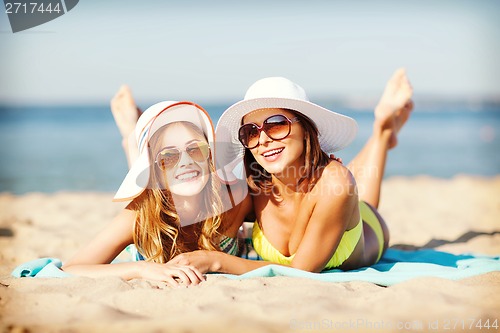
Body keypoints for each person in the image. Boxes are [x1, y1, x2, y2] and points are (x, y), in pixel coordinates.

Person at [168, 68, 414, 274]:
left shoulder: (334, 182)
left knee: (355, 192)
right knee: (341, 179)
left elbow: (300, 273)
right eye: (251, 132)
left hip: (370, 230)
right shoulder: (251, 187)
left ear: (305, 129)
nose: (263, 139)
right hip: (329, 192)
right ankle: (382, 134)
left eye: (276, 125)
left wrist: (216, 260)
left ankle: (382, 131)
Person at [62, 99, 251, 286]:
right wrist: (141, 268)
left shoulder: (233, 196)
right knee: (145, 189)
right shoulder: (139, 215)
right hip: (154, 200)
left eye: (195, 149)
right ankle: (131, 137)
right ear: (154, 170)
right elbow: (72, 268)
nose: (186, 161)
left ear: (210, 154)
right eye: (168, 157)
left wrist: (216, 259)